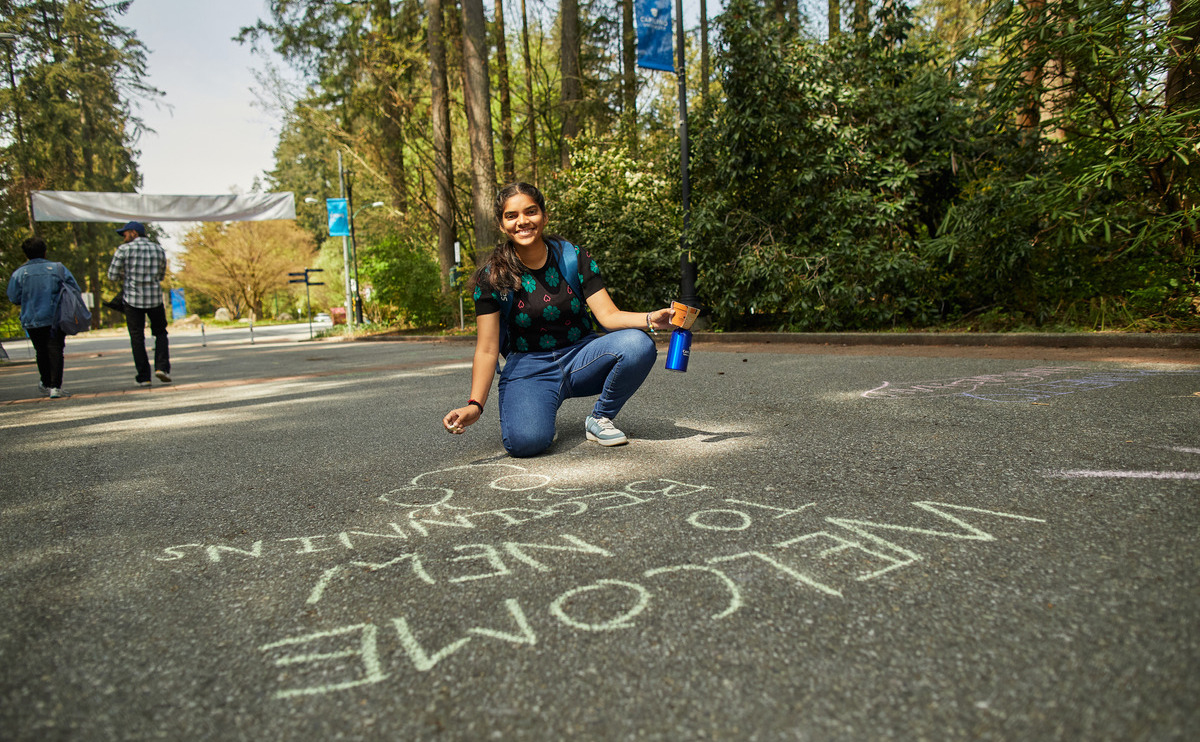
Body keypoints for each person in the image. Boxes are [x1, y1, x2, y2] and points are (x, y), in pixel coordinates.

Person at [442, 182, 674, 457]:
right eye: (512, 215)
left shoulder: (573, 257)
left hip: (581, 357)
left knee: (638, 344)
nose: (523, 222)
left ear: (544, 216)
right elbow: (488, 348)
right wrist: (475, 404)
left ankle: (599, 418)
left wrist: (650, 319)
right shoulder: (492, 277)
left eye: (531, 212)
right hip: (529, 367)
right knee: (526, 444)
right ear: (501, 224)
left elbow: (608, 316)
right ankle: (540, 411)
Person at [6, 236, 81, 399]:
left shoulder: (19, 274)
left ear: (26, 254)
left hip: (32, 318)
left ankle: (46, 382)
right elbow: (74, 288)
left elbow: (13, 297)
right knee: (56, 350)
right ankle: (56, 386)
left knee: (40, 350)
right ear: (45, 252)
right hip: (56, 317)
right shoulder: (58, 268)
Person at [107, 221, 171, 387]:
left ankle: (144, 377)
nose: (124, 237)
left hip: (132, 299)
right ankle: (162, 367)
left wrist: (126, 275)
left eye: (125, 234)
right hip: (155, 299)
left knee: (137, 337)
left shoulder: (124, 250)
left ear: (134, 233)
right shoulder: (158, 249)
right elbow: (162, 274)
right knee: (160, 332)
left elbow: (112, 275)